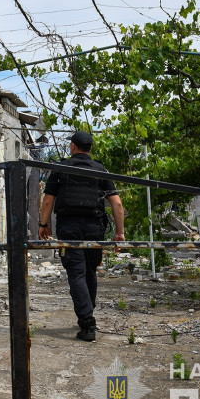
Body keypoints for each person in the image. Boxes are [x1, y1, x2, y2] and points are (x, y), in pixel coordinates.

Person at [38, 130, 125, 342]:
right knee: (89, 272)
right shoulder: (100, 170)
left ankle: (87, 324)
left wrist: (43, 225)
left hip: (70, 229)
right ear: (90, 149)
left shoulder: (60, 168)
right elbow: (117, 203)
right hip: (95, 228)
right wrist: (120, 232)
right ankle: (87, 312)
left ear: (73, 146)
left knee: (77, 274)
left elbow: (48, 201)